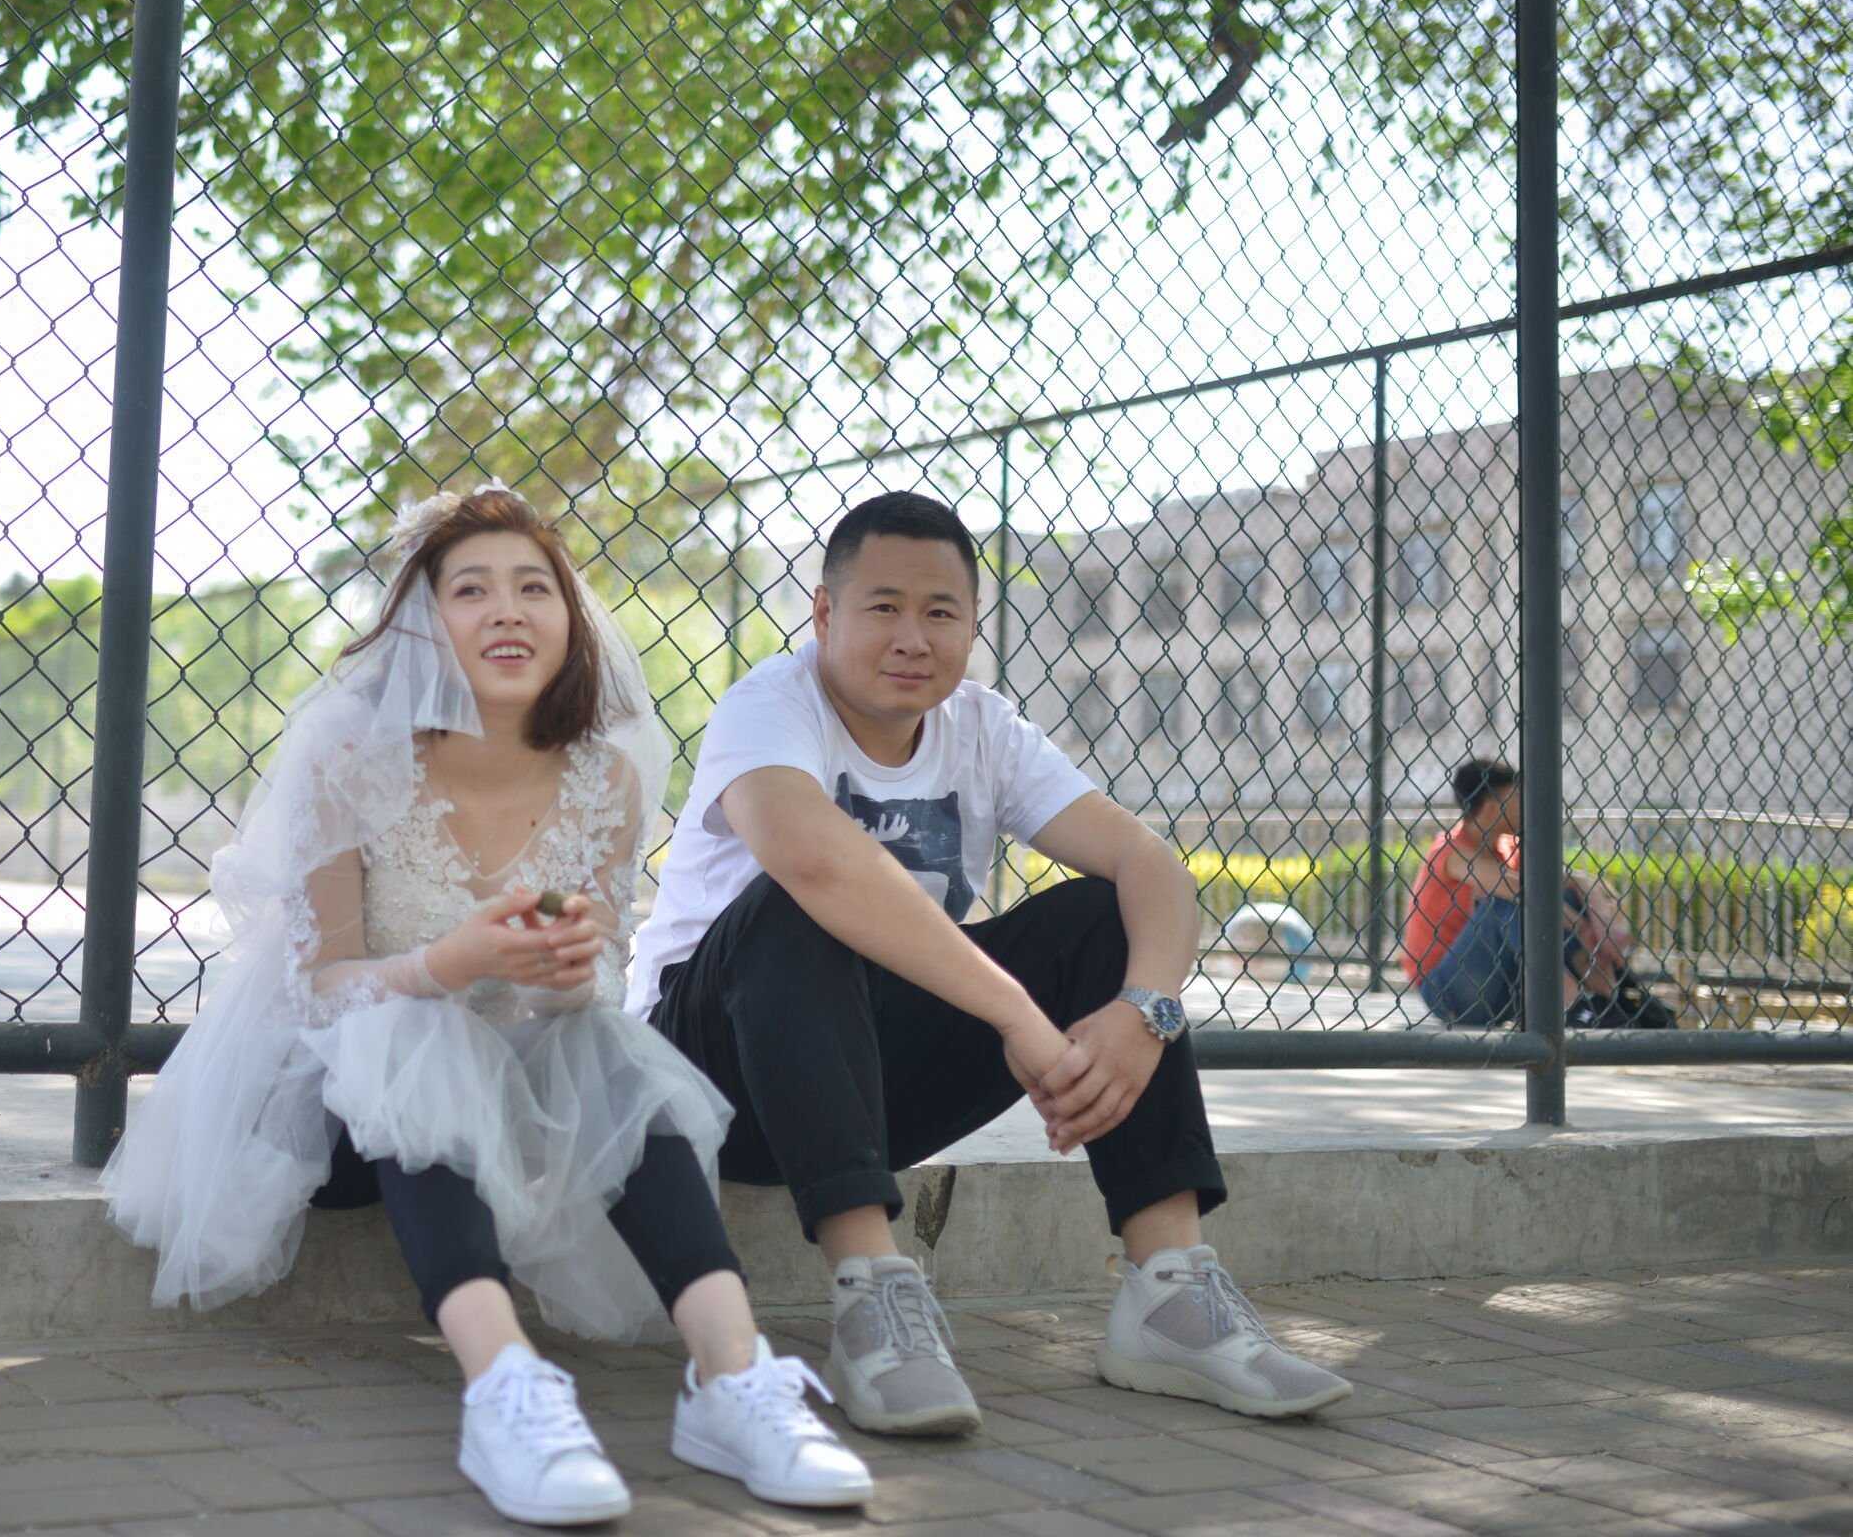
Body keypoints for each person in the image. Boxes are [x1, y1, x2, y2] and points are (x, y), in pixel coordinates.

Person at [103, 486, 872, 1527]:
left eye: (533, 589)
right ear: (424, 623)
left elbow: (597, 976)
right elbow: (315, 991)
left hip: (518, 1099)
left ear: (571, 619)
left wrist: (567, 973)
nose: (507, 610)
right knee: (420, 1026)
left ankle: (734, 1380)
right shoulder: (350, 762)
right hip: (341, 1116)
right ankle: (507, 1388)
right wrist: (445, 964)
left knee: (605, 1040)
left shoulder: (605, 776)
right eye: (470, 590)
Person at [627, 491, 1354, 1434]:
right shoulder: (768, 704)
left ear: (972, 626)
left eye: (941, 612)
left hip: (866, 1083)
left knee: (1102, 914)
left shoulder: (982, 726)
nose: (912, 637)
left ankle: (1169, 1294)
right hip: (711, 1082)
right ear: (824, 614)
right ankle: (873, 1295)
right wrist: (1018, 1017)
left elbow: (1151, 865)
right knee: (800, 901)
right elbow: (813, 862)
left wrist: (1146, 1011)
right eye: (883, 607)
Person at [1400, 757, 1677, 1030]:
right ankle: (1574, 1005)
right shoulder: (1450, 850)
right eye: (1517, 797)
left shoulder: (1507, 848)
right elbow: (1514, 889)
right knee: (1506, 904)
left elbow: (1561, 881)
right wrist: (1576, 924)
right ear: (1491, 806)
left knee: (1564, 896)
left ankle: (1609, 997)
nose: (1525, 805)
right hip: (1450, 992)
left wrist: (1590, 896)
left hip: (1504, 988)